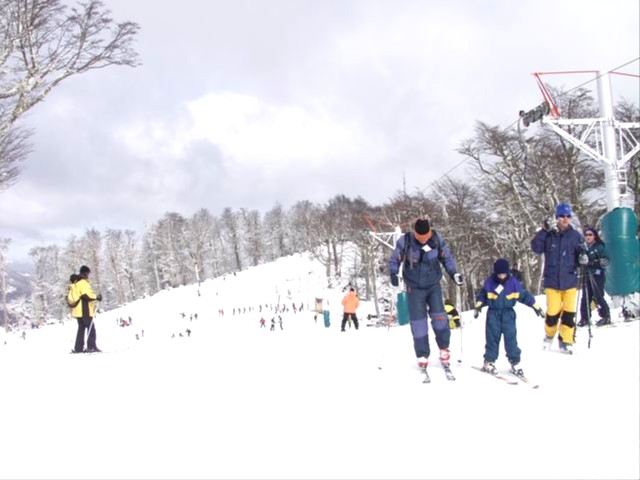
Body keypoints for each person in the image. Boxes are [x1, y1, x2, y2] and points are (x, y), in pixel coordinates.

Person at [389, 217, 464, 368]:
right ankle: (422, 354)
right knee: (418, 322)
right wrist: (393, 273)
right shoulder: (406, 241)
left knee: (439, 317)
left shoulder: (436, 239)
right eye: (420, 238)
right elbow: (394, 259)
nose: (423, 240)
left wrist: (453, 273)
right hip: (414, 287)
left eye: (426, 237)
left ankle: (444, 348)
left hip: (433, 285)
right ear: (415, 233)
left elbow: (447, 258)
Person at [474, 258, 544, 376]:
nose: (501, 276)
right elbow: (483, 295)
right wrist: (478, 305)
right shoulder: (490, 282)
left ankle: (515, 362)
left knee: (511, 339)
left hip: (508, 315)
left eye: (504, 274)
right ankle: (489, 361)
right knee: (492, 338)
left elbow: (524, 295)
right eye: (499, 274)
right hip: (493, 314)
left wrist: (535, 306)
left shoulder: (513, 283)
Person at [531, 202, 584, 354]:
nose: (565, 219)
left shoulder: (575, 236)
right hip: (552, 281)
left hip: (570, 280)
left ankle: (566, 340)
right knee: (553, 312)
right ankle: (549, 335)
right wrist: (543, 230)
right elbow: (536, 248)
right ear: (557, 218)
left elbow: (581, 252)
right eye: (562, 216)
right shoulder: (549, 235)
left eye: (568, 216)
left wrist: (583, 258)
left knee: (569, 313)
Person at [578, 227, 611, 327]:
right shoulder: (583, 247)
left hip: (597, 274)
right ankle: (585, 318)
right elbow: (579, 259)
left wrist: (594, 262)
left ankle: (605, 316)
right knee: (585, 296)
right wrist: (581, 260)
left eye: (590, 235)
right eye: (586, 235)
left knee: (598, 295)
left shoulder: (599, 246)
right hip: (587, 274)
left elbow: (606, 260)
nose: (588, 237)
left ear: (594, 236)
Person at [70, 265, 102, 353]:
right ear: (86, 273)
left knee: (81, 328)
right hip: (84, 309)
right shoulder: (83, 282)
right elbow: (86, 295)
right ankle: (91, 347)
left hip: (77, 310)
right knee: (91, 327)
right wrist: (96, 297)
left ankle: (78, 348)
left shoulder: (75, 283)